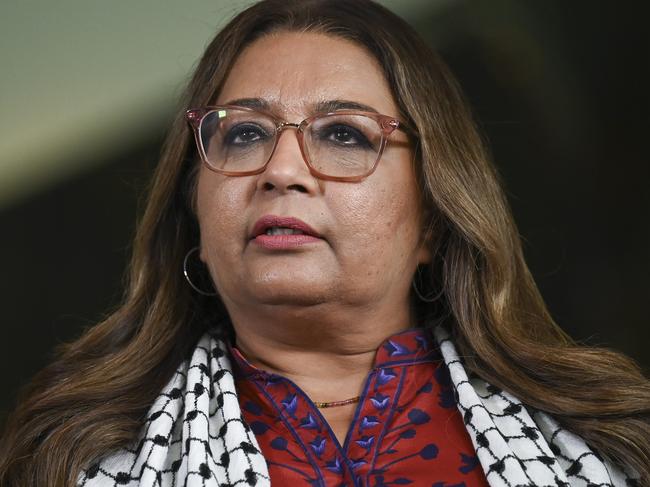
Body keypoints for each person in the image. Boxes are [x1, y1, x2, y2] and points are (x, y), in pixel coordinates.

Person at [1, 0, 648, 485]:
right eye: (244, 134)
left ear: (434, 216)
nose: (281, 170)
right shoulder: (70, 459)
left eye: (344, 134)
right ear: (193, 216)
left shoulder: (601, 445)